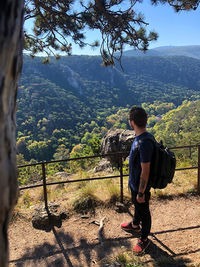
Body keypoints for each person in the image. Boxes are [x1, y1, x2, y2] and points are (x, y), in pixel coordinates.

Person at [121, 106, 154, 254]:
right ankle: (135, 224)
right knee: (137, 205)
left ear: (132, 122)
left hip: (141, 187)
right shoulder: (141, 137)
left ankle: (144, 238)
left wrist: (141, 192)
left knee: (144, 211)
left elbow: (145, 170)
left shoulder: (144, 143)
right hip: (136, 185)